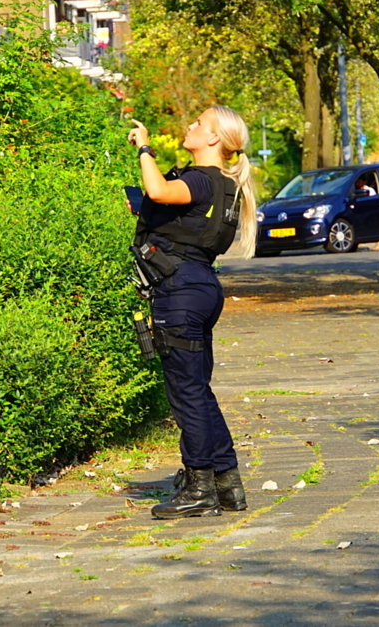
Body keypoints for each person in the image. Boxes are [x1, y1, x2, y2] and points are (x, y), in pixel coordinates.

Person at [127, 106, 257, 519]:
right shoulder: (225, 186)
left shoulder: (200, 178)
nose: (190, 126)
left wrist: (144, 147)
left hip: (180, 291)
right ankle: (226, 482)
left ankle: (199, 488)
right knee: (198, 390)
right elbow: (172, 211)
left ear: (214, 139)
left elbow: (159, 192)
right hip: (200, 286)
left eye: (198, 124)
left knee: (186, 395)